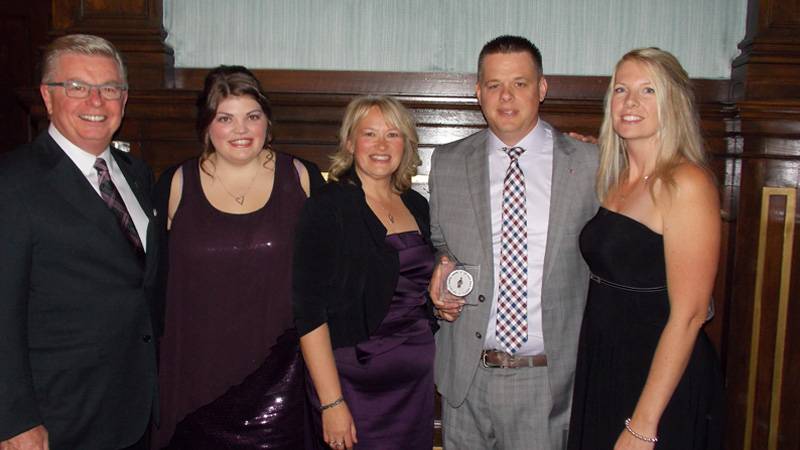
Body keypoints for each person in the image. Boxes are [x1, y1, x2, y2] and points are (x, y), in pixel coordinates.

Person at [428, 35, 599, 450]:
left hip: (547, 384)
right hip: (466, 380)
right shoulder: (448, 162)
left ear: (542, 88)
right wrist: (442, 270)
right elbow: (441, 243)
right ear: (478, 92)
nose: (506, 97)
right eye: (494, 85)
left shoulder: (590, 163)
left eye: (520, 83)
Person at [152, 65, 324, 449]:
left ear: (267, 121)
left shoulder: (302, 177)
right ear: (206, 125)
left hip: (279, 383)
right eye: (225, 118)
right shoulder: (175, 183)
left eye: (252, 116)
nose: (241, 130)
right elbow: (150, 285)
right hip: (193, 381)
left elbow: (328, 279)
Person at [0, 34, 157, 450]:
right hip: (57, 417)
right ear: (47, 97)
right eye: (76, 87)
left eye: (109, 88)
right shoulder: (12, 182)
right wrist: (13, 421)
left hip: (134, 407)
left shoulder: (137, 174)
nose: (96, 101)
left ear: (124, 99)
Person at [567, 48, 724, 450]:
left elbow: (690, 316)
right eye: (621, 89)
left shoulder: (685, 183)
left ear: (673, 102)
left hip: (658, 377)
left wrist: (643, 424)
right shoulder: (615, 178)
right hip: (605, 362)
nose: (630, 101)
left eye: (648, 90)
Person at [293, 95, 435, 450]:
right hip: (352, 387)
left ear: (406, 144)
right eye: (369, 134)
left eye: (392, 134)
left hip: (414, 385)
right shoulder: (326, 207)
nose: (381, 145)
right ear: (349, 142)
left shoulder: (417, 205)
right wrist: (332, 402)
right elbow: (308, 313)